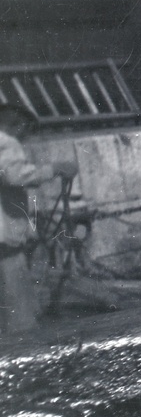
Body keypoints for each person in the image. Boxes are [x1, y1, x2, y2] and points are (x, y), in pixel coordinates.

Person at [0, 105, 77, 335]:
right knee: (21, 315)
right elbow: (13, 175)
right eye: (26, 131)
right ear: (17, 125)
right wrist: (54, 169)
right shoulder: (6, 142)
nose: (26, 138)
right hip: (5, 242)